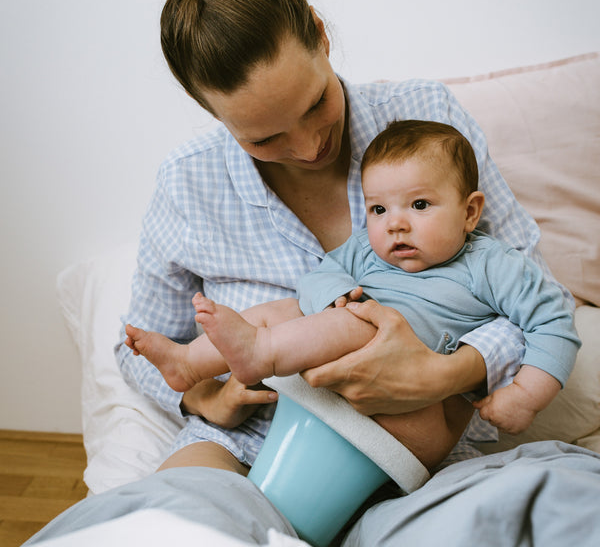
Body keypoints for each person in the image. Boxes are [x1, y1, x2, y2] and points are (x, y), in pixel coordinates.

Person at [24, 0, 598, 547]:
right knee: (164, 529)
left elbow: (532, 289)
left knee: (561, 501)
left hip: (414, 457)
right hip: (250, 449)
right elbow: (144, 347)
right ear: (212, 113)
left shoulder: (426, 120)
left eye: (314, 104)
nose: (308, 147)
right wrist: (206, 397)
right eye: (265, 137)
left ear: (321, 35)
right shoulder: (188, 183)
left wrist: (448, 371)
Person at [125, 120, 579, 455]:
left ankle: (260, 355)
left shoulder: (491, 263)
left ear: (470, 212)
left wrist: (525, 396)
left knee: (363, 324)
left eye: (419, 204)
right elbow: (319, 274)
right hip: (329, 410)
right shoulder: (366, 249)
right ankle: (190, 363)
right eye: (378, 209)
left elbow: (554, 322)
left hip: (416, 418)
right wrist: (334, 295)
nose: (395, 223)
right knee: (281, 310)